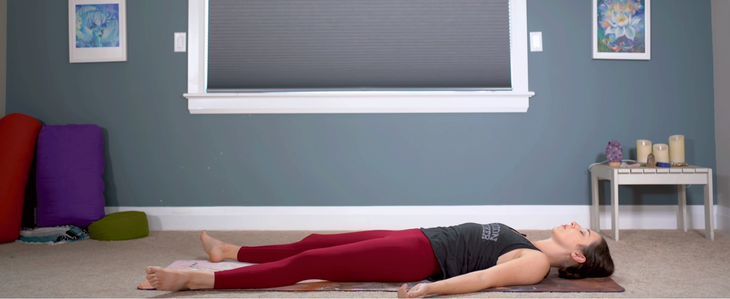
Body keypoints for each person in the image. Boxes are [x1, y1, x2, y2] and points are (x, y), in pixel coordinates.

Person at [145, 221, 614, 297]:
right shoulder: (528, 239)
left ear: (577, 253)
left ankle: (199, 283)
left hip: (417, 257)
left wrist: (430, 288)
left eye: (584, 231)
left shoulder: (534, 263)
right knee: (313, 241)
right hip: (417, 237)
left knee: (310, 265)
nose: (576, 222)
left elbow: (483, 280)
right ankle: (229, 253)